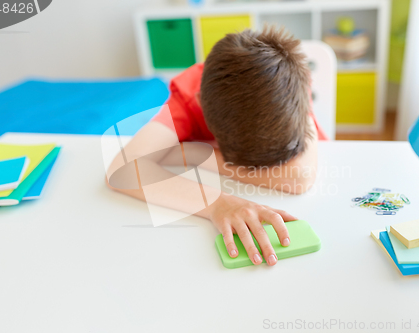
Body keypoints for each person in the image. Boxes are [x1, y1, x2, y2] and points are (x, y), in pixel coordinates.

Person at [106, 26, 328, 267]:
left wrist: (192, 153)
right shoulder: (188, 97)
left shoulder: (288, 85)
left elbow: (298, 178)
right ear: (201, 103)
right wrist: (217, 203)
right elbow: (121, 170)